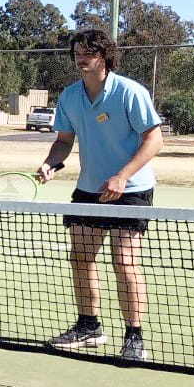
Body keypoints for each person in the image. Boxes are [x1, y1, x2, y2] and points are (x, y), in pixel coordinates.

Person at [37, 29, 164, 363]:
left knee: (124, 262)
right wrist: (51, 163)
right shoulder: (69, 96)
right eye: (77, 52)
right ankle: (88, 326)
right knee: (80, 258)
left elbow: (154, 140)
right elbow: (64, 140)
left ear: (104, 56)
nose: (81, 57)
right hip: (89, 189)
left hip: (131, 190)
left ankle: (134, 336)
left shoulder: (129, 92)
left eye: (89, 52)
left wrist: (123, 176)